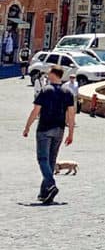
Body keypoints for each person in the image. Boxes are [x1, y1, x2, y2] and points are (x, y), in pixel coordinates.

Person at [22, 65, 76, 204]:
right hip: (59, 129)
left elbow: (36, 111)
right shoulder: (68, 92)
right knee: (51, 160)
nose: (47, 74)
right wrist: (70, 133)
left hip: (45, 128)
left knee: (42, 159)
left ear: (54, 74)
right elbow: (71, 114)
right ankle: (44, 192)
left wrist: (27, 127)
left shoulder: (46, 91)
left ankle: (51, 184)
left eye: (49, 72)